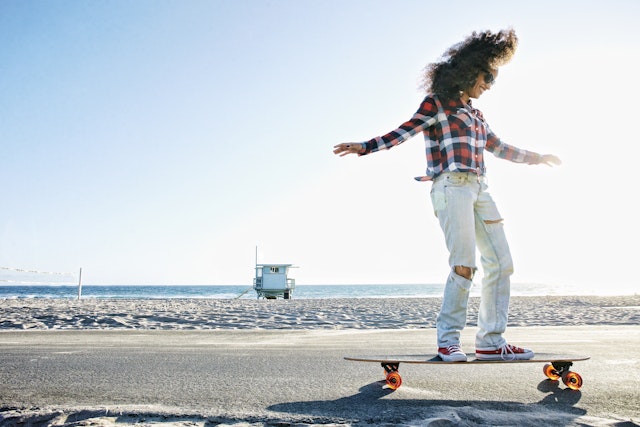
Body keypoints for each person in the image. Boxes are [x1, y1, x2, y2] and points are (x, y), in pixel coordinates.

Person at [333, 29, 561, 362]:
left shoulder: (478, 116)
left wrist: (537, 157)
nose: (489, 85)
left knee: (501, 263)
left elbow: (499, 148)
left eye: (493, 80)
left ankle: (490, 341)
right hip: (450, 186)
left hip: (480, 188)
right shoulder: (438, 104)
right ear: (469, 71)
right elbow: (405, 131)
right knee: (464, 265)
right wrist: (367, 146)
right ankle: (448, 340)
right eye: (487, 77)